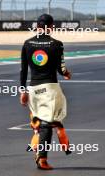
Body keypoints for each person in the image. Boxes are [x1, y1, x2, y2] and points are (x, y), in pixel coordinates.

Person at [20, 14, 72, 170]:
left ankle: (39, 146)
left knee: (42, 122)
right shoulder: (57, 44)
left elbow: (23, 70)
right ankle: (42, 158)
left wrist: (23, 91)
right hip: (50, 88)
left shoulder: (27, 43)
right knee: (48, 123)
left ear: (37, 26)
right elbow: (61, 68)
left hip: (33, 89)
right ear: (50, 27)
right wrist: (67, 74)